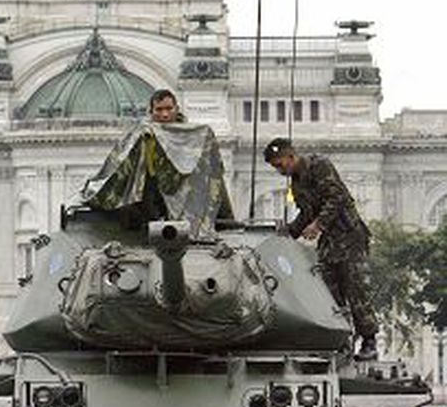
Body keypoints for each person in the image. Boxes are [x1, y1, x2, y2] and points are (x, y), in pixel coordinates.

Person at [263, 137, 379, 360]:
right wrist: (287, 233)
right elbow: (306, 213)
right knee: (328, 294)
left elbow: (338, 198)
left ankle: (369, 341)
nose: (279, 170)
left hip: (349, 237)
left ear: (290, 156)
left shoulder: (319, 166)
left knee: (355, 290)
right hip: (329, 243)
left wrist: (319, 224)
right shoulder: (296, 182)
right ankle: (341, 341)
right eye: (274, 167)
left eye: (279, 164)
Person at [78, 87, 234, 236]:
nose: (165, 114)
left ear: (176, 108)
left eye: (169, 108)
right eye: (159, 110)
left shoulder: (193, 136)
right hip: (151, 195)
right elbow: (120, 163)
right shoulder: (142, 134)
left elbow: (209, 171)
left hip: (185, 195)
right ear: (151, 112)